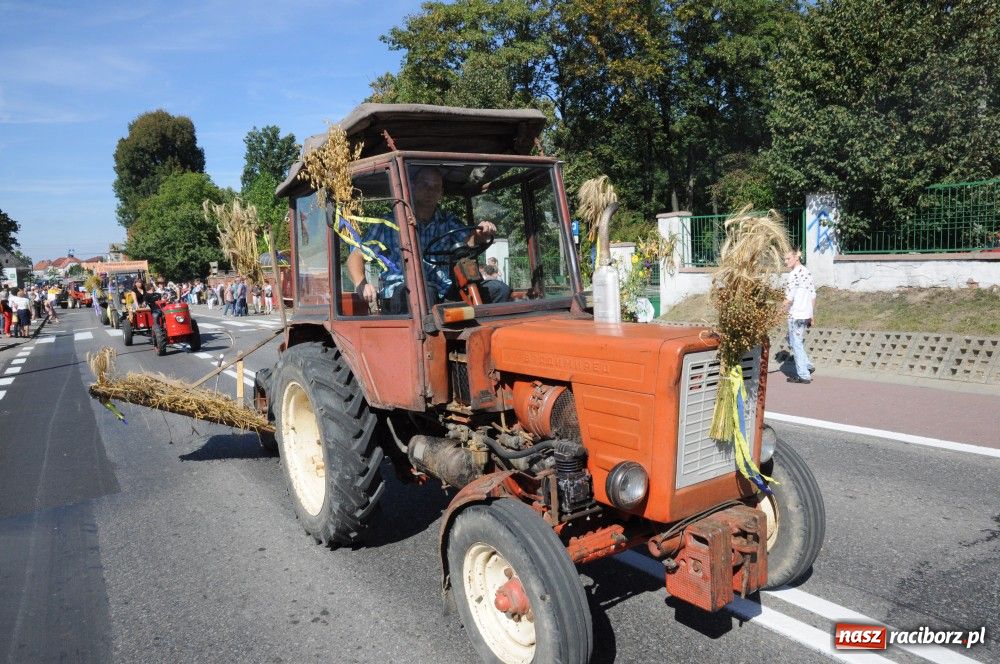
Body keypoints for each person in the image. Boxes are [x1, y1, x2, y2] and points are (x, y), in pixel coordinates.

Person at [347, 166, 496, 314]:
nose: (430, 191)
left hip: (441, 291)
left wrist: (479, 235)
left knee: (498, 291)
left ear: (441, 192)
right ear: (412, 186)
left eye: (435, 187)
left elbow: (467, 243)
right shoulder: (388, 223)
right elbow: (357, 255)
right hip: (400, 293)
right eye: (424, 184)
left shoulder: (447, 221)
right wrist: (362, 283)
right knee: (425, 291)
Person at [783, 248, 816, 383]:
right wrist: (811, 314)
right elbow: (813, 294)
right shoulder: (807, 272)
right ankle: (807, 365)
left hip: (796, 315)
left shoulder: (793, 275)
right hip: (804, 314)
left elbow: (789, 298)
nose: (786, 262)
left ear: (796, 258)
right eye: (784, 259)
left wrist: (780, 311)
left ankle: (803, 375)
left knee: (796, 343)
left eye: (788, 259)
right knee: (791, 339)